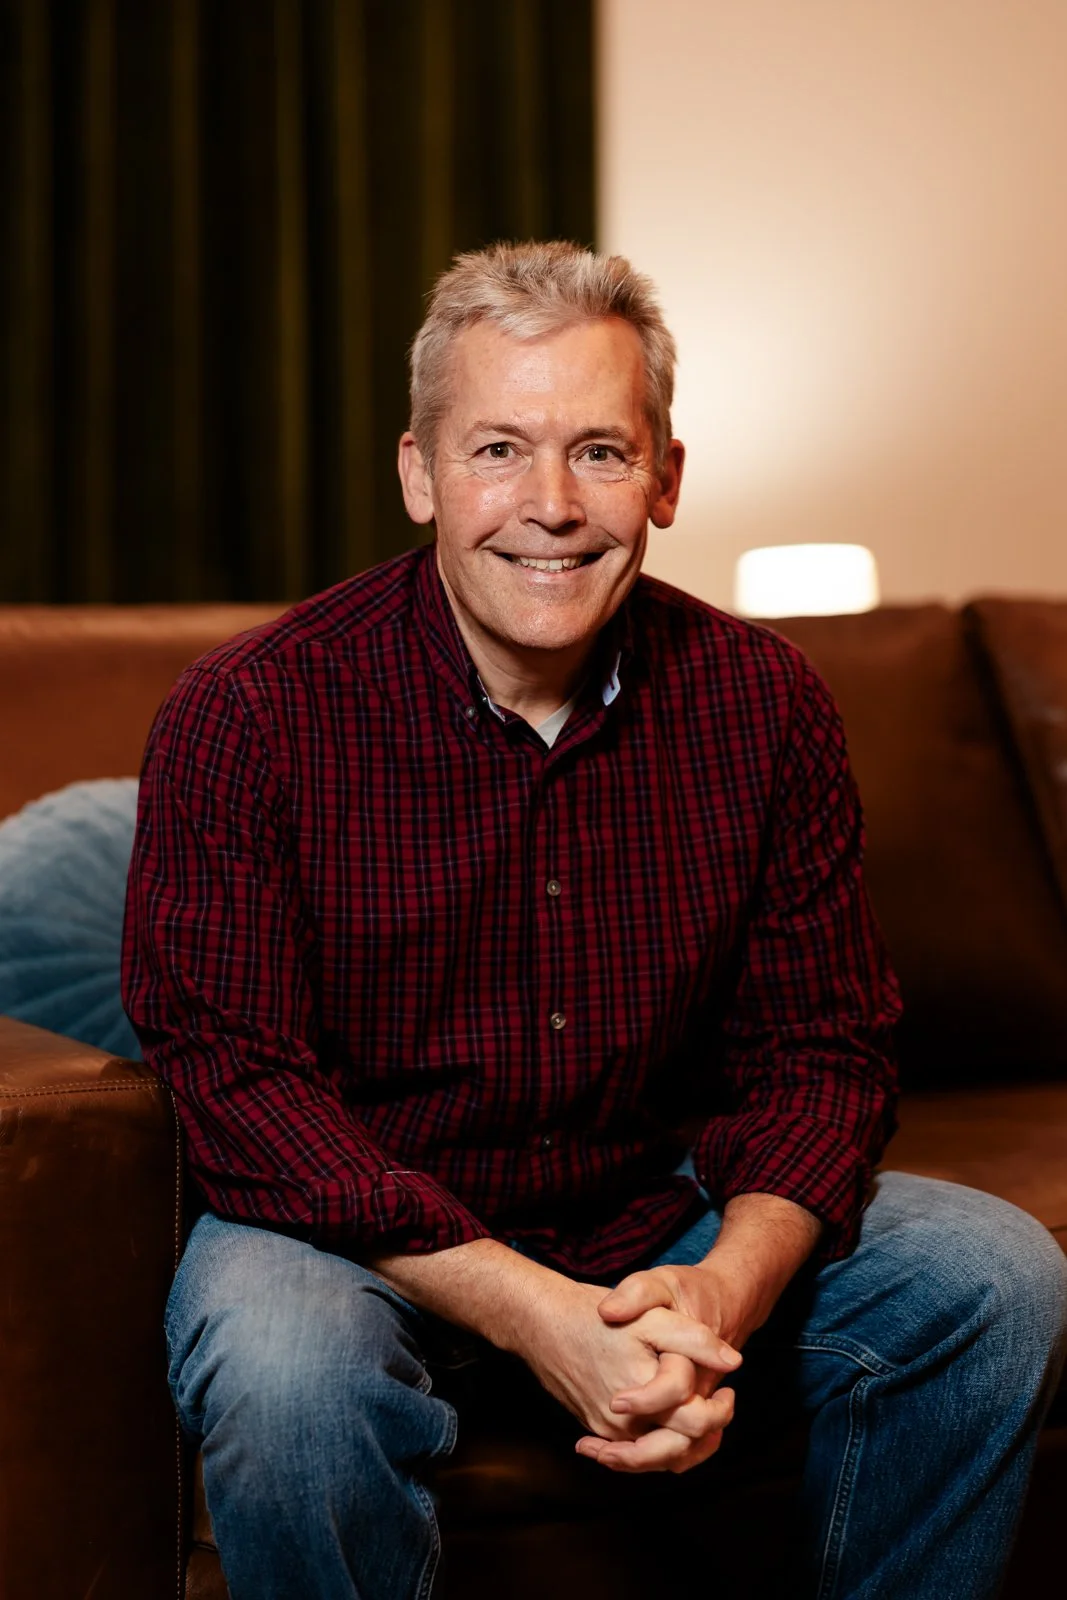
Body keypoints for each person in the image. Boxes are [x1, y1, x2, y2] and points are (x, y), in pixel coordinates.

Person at [122, 241, 1067, 1600]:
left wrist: (721, 1293)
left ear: (665, 479)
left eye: (600, 454)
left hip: (652, 1213)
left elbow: (824, 1052)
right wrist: (536, 1314)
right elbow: (238, 1089)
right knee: (277, 1364)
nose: (548, 507)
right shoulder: (247, 715)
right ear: (418, 474)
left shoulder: (765, 703)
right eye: (498, 449)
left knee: (990, 1280)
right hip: (350, 1239)